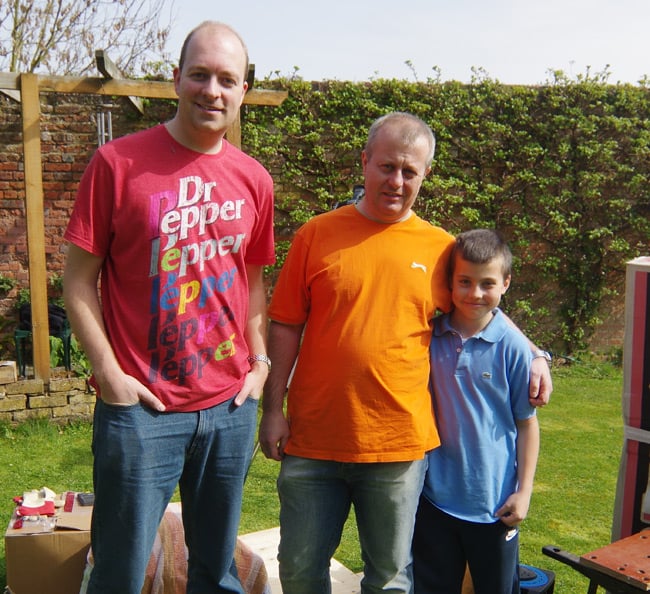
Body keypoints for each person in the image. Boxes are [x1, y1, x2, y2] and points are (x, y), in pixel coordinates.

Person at [258, 112, 552, 594]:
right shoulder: (316, 234)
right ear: (365, 162)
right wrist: (273, 410)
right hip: (313, 439)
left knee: (391, 579)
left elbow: (482, 304)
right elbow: (286, 324)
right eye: (387, 166)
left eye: (409, 171)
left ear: (424, 175)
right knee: (299, 570)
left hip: (397, 447)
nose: (396, 181)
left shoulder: (441, 250)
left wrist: (535, 353)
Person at [63, 21, 275, 594]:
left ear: (243, 91)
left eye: (228, 79)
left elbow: (251, 282)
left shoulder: (254, 180)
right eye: (200, 74)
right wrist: (110, 375)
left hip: (229, 408)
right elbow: (77, 282)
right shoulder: (117, 165)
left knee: (217, 572)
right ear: (176, 79)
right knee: (120, 573)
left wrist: (259, 363)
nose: (213, 90)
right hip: (141, 411)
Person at [412, 229, 540, 594]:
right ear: (449, 283)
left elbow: (527, 426)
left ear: (506, 284)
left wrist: (524, 491)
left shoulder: (514, 348)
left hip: (494, 505)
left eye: (487, 283)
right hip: (434, 500)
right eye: (464, 282)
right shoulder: (430, 335)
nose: (475, 293)